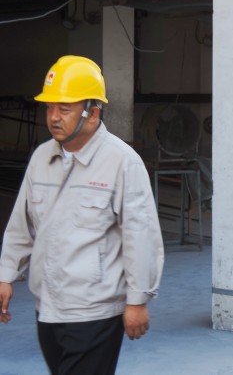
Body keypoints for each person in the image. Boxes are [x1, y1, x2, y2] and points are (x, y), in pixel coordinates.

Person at [0, 56, 164, 375]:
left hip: (95, 311)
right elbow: (22, 225)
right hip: (47, 308)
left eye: (64, 109)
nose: (53, 117)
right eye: (49, 108)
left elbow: (140, 236)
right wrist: (6, 274)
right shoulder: (41, 158)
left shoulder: (122, 162)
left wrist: (137, 300)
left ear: (93, 113)